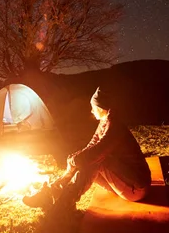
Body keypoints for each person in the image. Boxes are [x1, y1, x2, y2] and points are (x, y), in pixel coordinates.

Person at [23, 86, 151, 211]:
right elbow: (92, 144)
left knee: (96, 161)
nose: (91, 111)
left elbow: (97, 152)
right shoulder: (104, 123)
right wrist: (74, 157)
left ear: (101, 107)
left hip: (136, 187)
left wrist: (74, 160)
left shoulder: (115, 127)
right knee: (87, 161)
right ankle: (50, 194)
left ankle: (63, 204)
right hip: (124, 181)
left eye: (93, 107)